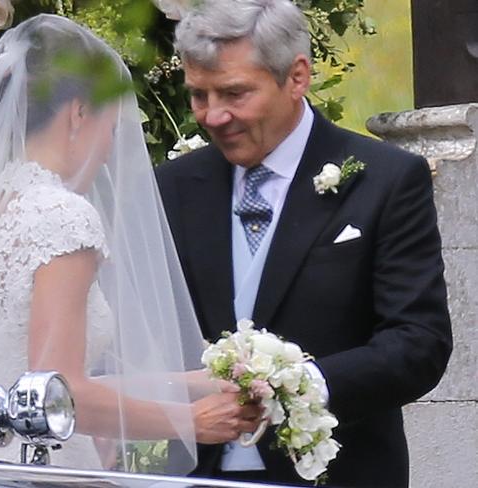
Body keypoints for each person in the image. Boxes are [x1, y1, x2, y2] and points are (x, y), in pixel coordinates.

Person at [0, 14, 261, 474]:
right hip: (52, 469)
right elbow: (57, 390)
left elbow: (31, 370)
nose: (109, 149)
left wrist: (198, 382)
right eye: (112, 128)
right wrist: (191, 421)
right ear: (79, 113)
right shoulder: (61, 216)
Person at [156, 1, 453, 486]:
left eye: (233, 93)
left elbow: (418, 344)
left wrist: (294, 386)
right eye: (198, 96)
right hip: (198, 475)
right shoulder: (173, 186)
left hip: (338, 474)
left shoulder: (385, 180)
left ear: (296, 77)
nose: (213, 116)